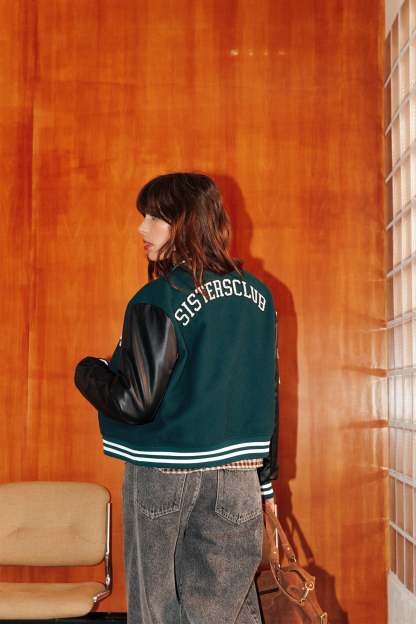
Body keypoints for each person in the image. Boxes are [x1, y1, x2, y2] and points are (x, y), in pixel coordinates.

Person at [74, 172, 279, 624]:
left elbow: (135, 402)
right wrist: (266, 482)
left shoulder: (158, 298)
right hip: (239, 476)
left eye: (154, 218)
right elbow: (268, 390)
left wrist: (87, 371)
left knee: (157, 609)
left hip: (164, 471)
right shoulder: (260, 297)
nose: (142, 228)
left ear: (185, 222)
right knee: (227, 612)